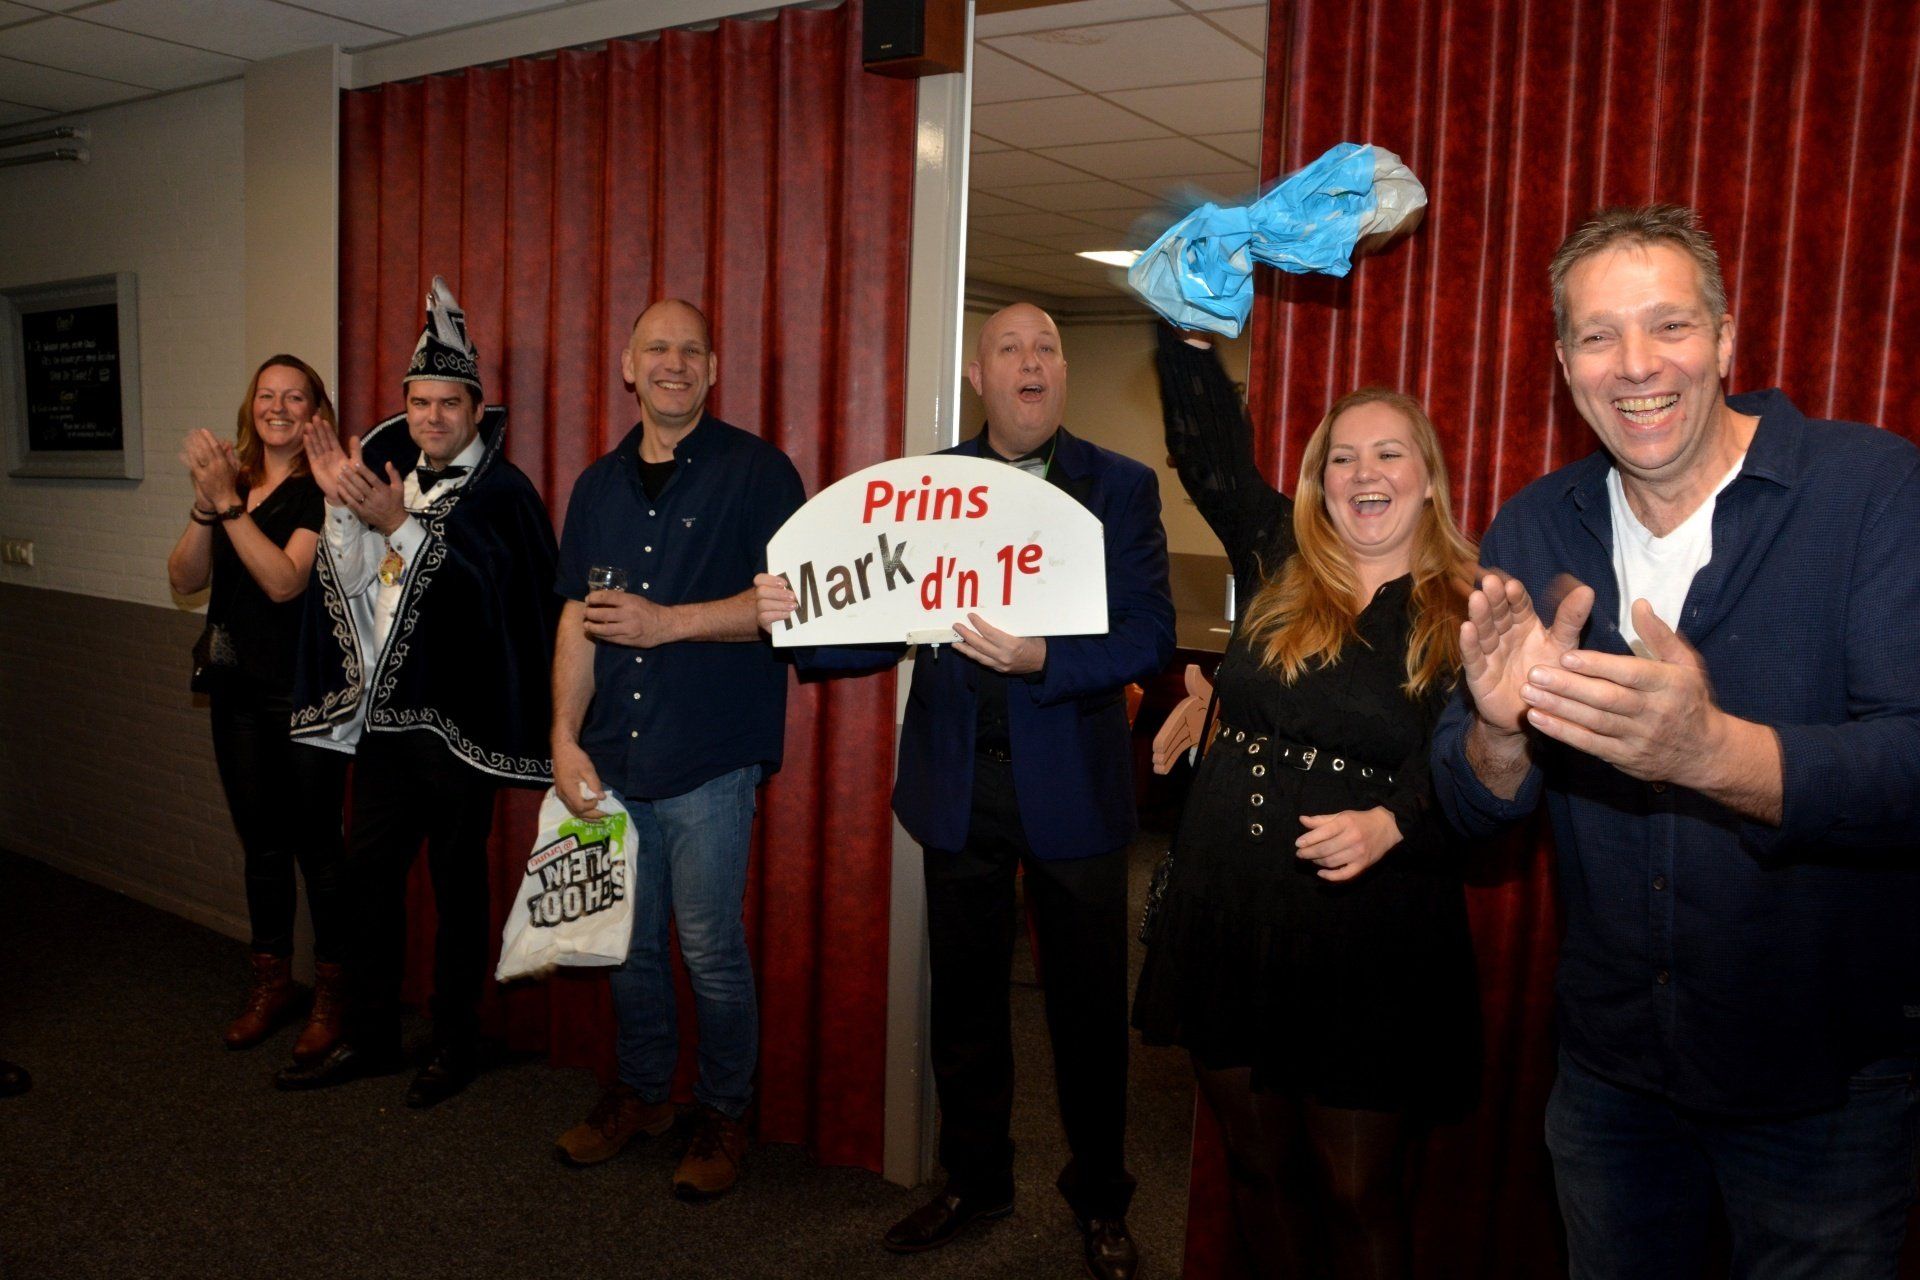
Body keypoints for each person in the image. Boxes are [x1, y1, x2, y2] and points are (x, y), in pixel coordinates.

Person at [1430, 204, 1920, 1279]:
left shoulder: (1873, 489)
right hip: (1611, 1080)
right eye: (1598, 335)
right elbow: (1468, 804)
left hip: (1823, 1088)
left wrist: (1712, 753)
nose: (1637, 364)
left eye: (1670, 325)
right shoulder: (1535, 524)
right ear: (1565, 364)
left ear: (1727, 339)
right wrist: (1502, 735)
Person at [756, 302, 1174, 1280]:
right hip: (958, 789)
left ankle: (1102, 1199)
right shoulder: (927, 490)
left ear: (1061, 372)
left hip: (1075, 792)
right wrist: (797, 619)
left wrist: (1044, 657)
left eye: (1047, 347)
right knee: (968, 1008)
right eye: (1010, 347)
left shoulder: (1121, 486)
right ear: (979, 376)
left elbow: (1150, 633)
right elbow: (879, 617)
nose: (1032, 360)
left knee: (1087, 1015)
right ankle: (976, 1180)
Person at [1131, 326, 1480, 1279]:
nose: (1364, 475)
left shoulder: (1471, 605)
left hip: (1368, 931)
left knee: (1356, 1188)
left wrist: (1396, 819)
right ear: (1320, 481)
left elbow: (1484, 769)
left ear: (1428, 478)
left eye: (1388, 454)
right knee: (1256, 1164)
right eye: (1342, 458)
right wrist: (1188, 331)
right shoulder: (1279, 552)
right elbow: (1206, 453)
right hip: (1228, 905)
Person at [274, 277, 560, 1109]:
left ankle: (455, 1041)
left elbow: (490, 599)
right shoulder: (390, 478)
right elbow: (359, 586)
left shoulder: (504, 495)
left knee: (458, 886)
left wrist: (396, 520)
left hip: (459, 728)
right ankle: (371, 1034)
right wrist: (345, 510)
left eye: (449, 403)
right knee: (367, 882)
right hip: (388, 728)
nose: (432, 417)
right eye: (420, 402)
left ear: (476, 410)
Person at [546, 299, 804, 1199]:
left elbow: (786, 604)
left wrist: (666, 623)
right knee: (630, 945)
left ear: (713, 369)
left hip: (709, 759)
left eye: (691, 350)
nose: (674, 363)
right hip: (614, 756)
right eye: (657, 348)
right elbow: (575, 620)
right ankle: (644, 1094)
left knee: (707, 947)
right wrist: (562, 737)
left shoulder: (760, 473)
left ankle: (725, 1112)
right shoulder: (595, 487)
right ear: (629, 365)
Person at [165, 355, 352, 1063]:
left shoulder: (322, 488)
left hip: (305, 693)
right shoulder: (233, 480)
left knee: (319, 848)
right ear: (251, 406)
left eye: (294, 396)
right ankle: (272, 984)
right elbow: (184, 577)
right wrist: (206, 501)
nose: (278, 406)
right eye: (266, 395)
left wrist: (230, 506)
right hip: (238, 691)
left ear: (315, 411)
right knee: (263, 846)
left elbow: (283, 581)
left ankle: (334, 995)